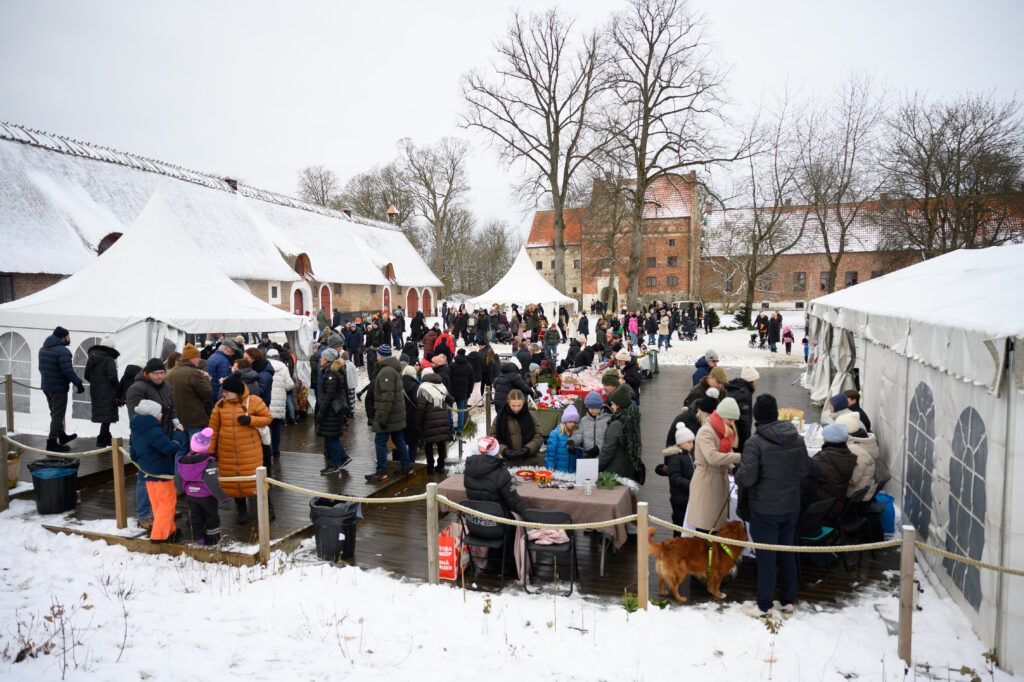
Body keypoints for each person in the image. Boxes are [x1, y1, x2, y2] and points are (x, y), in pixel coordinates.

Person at [736, 394, 809, 620]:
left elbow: (746, 478)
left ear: (756, 417)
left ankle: (765, 606)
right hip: (791, 507)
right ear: (776, 414)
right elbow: (805, 469)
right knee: (787, 554)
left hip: (765, 509)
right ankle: (788, 602)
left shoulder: (755, 443)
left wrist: (737, 473)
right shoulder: (796, 438)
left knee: (766, 558)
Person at [209, 374, 273, 524]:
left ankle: (268, 508)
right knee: (234, 483)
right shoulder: (220, 405)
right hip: (227, 451)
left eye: (227, 392)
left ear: (237, 392)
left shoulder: (254, 401)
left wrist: (251, 420)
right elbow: (213, 429)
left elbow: (268, 418)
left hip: (249, 451)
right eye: (223, 392)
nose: (224, 394)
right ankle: (241, 510)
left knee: (256, 481)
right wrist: (211, 451)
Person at [130, 399, 188, 543]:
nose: (162, 414)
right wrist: (178, 435)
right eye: (160, 412)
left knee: (157, 504)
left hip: (147, 472)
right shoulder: (153, 430)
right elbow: (170, 448)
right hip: (160, 472)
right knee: (167, 504)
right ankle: (159, 535)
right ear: (153, 415)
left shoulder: (137, 428)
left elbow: (133, 454)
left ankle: (169, 530)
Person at [686, 397, 742, 533]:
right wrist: (740, 457)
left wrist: (733, 468)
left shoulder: (721, 431)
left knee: (714, 529)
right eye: (730, 419)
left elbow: (724, 454)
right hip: (707, 483)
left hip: (717, 482)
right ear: (722, 416)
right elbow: (712, 457)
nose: (732, 423)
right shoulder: (707, 431)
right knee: (705, 529)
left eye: (734, 420)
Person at [174, 428, 227, 546]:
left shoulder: (184, 461)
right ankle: (213, 539)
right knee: (211, 517)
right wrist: (222, 497)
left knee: (195, 517)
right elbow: (211, 483)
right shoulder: (208, 463)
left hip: (191, 496)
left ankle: (199, 538)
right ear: (206, 446)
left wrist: (182, 489)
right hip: (207, 497)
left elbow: (178, 478)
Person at [366, 344, 411, 482]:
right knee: (399, 439)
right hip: (395, 415)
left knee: (380, 442)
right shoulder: (393, 369)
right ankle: (407, 467)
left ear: (381, 357)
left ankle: (381, 472)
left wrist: (382, 418)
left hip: (388, 416)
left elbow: (387, 397)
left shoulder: (386, 372)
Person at [38, 325, 85, 452]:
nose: (69, 338)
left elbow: (41, 368)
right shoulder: (63, 352)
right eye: (68, 336)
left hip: (46, 386)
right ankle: (52, 442)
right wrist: (78, 384)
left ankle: (62, 436)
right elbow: (67, 371)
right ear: (62, 337)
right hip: (58, 388)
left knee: (54, 413)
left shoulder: (43, 349)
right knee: (58, 415)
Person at [464, 436, 529, 518]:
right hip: (499, 524)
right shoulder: (501, 473)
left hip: (475, 522)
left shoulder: (469, 470)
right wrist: (534, 518)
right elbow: (514, 502)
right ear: (496, 452)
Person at [315, 348, 353, 476]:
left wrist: (321, 411)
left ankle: (335, 464)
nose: (320, 359)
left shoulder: (331, 374)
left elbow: (328, 395)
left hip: (332, 410)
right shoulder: (334, 371)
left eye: (322, 358)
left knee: (332, 437)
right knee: (332, 436)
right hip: (335, 410)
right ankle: (343, 457)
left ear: (328, 360)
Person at [165, 343, 213, 441]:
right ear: (191, 358)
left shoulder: (170, 373)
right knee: (196, 449)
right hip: (194, 419)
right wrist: (207, 379)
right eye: (197, 357)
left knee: (181, 449)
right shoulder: (193, 373)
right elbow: (207, 393)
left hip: (177, 419)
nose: (199, 360)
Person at [655, 423, 696, 536]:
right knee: (679, 523)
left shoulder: (689, 455)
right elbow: (674, 477)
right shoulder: (675, 458)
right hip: (679, 498)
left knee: (686, 522)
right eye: (689, 442)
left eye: (692, 442)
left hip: (688, 496)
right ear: (681, 443)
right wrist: (691, 484)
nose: (692, 445)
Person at [813, 423, 858, 520]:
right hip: (838, 502)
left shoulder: (824, 459)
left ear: (828, 439)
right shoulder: (849, 456)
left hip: (823, 507)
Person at [599, 384, 643, 481]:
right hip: (629, 468)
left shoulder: (616, 424)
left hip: (615, 471)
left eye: (613, 404)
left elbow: (608, 450)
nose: (612, 406)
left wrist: (599, 466)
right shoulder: (632, 418)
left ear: (619, 405)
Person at [83, 334, 120, 448]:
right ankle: (102, 439)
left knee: (104, 415)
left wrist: (96, 383)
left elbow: (86, 375)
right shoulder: (109, 359)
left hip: (96, 390)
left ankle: (105, 436)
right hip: (108, 391)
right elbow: (112, 377)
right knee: (107, 415)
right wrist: (118, 388)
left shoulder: (92, 357)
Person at [416, 367, 454, 474]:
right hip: (443, 421)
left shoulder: (423, 388)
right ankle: (440, 466)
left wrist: (417, 421)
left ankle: (430, 467)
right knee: (441, 444)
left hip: (429, 422)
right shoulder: (441, 386)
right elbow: (451, 399)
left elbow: (421, 408)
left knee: (428, 445)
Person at [489, 389, 544, 461]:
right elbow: (492, 439)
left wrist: (528, 449)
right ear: (508, 403)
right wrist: (504, 450)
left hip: (528, 458)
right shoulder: (500, 417)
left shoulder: (530, 416)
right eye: (513, 405)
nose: (516, 408)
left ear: (523, 403)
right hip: (505, 460)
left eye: (519, 405)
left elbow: (539, 436)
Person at [836, 412, 878, 497]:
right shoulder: (862, 441)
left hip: (857, 494)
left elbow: (854, 479)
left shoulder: (855, 448)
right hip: (864, 490)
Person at [264, 348, 295, 458]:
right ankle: (276, 450)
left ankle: (266, 448)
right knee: (276, 427)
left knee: (265, 427)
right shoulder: (283, 367)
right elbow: (289, 385)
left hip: (266, 401)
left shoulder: (263, 366)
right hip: (279, 402)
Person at [724, 366, 758, 451]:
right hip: (738, 439)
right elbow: (744, 421)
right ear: (752, 380)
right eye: (755, 379)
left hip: (730, 433)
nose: (756, 382)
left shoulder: (735, 388)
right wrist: (747, 443)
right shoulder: (745, 394)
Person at [545, 404, 580, 473]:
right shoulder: (555, 434)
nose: (572, 424)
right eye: (570, 422)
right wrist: (550, 471)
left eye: (574, 422)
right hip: (558, 472)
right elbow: (550, 456)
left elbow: (580, 455)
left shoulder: (578, 434)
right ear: (565, 421)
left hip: (574, 472)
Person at [205, 337, 239, 405]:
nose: (233, 353)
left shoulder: (212, 356)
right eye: (232, 350)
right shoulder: (223, 361)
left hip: (211, 392)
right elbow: (225, 381)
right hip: (219, 395)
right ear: (225, 348)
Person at [577, 391, 611, 459]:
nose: (590, 410)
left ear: (599, 406)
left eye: (592, 408)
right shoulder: (584, 420)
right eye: (588, 408)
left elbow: (610, 440)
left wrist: (599, 448)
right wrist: (572, 441)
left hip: (604, 458)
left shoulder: (608, 419)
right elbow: (578, 434)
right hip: (588, 457)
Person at [450, 349, 475, 436]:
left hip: (452, 392)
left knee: (449, 410)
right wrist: (468, 393)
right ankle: (460, 429)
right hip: (463, 393)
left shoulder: (452, 365)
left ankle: (451, 427)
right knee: (461, 411)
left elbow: (449, 379)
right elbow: (472, 382)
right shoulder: (469, 367)